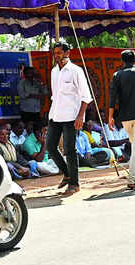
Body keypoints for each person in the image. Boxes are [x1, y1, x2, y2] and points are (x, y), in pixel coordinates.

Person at [46, 42, 92, 195]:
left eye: (59, 52)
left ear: (67, 53)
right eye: (55, 53)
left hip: (72, 116)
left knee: (69, 150)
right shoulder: (54, 71)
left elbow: (86, 96)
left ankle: (74, 183)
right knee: (51, 147)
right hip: (55, 115)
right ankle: (67, 174)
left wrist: (80, 116)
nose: (56, 55)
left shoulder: (76, 71)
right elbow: (56, 95)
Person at [109, 49, 135, 190]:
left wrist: (111, 117)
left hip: (125, 118)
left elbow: (112, 98)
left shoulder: (117, 75)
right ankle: (131, 180)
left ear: (122, 61)